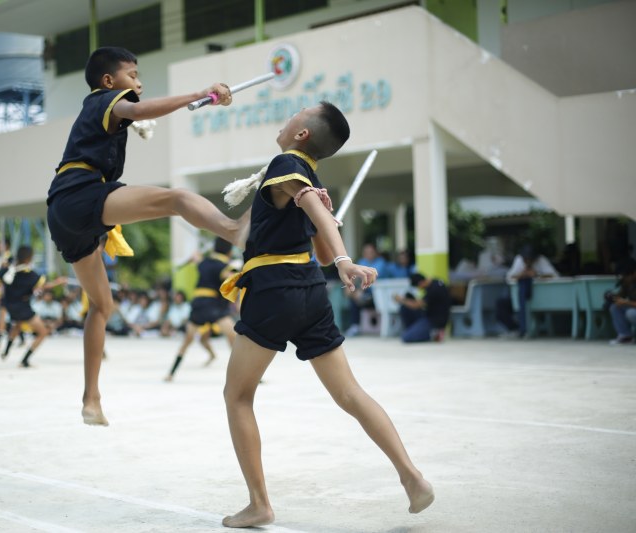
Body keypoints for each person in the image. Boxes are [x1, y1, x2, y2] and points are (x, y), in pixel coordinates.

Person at [219, 102, 433, 528]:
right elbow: (316, 237)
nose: (287, 116)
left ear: (302, 134)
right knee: (350, 393)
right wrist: (330, 242)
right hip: (311, 293)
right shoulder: (307, 177)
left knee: (237, 395)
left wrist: (343, 260)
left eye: (294, 112)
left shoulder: (286, 165)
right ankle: (413, 478)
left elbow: (312, 212)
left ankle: (259, 503)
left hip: (274, 289)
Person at [45, 45, 249, 426]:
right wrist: (202, 94)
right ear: (109, 81)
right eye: (133, 75)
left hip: (65, 213)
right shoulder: (105, 100)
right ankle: (235, 230)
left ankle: (91, 399)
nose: (139, 82)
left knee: (101, 306)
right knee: (176, 198)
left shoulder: (99, 110)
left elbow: (129, 117)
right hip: (80, 194)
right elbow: (137, 109)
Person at [165, 238, 238, 382]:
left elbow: (196, 261)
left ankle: (171, 374)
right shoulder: (225, 266)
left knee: (188, 340)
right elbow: (230, 281)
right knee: (233, 338)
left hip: (199, 304)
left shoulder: (203, 263)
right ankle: (248, 377)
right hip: (214, 306)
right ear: (229, 251)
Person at [0, 246, 66, 368]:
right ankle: (25, 360)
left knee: (17, 325)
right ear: (29, 258)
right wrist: (58, 282)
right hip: (22, 307)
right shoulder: (30, 275)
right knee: (43, 332)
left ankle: (6, 351)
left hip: (9, 306)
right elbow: (44, 286)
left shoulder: (8, 271)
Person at [496, 245, 558, 337]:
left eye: (530, 259)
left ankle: (525, 328)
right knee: (500, 304)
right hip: (518, 296)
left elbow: (555, 276)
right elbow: (509, 277)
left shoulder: (541, 260)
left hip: (539, 298)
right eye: (526, 259)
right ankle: (516, 328)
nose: (528, 261)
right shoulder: (519, 260)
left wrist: (537, 275)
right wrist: (520, 275)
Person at [344, 242, 388, 336]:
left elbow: (370, 278)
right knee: (353, 297)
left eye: (370, 251)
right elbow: (355, 276)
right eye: (366, 252)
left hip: (378, 295)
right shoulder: (362, 261)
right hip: (366, 293)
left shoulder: (381, 262)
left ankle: (356, 325)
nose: (368, 254)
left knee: (359, 297)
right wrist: (350, 286)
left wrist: (359, 291)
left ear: (376, 252)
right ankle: (355, 326)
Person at [393, 273, 451, 343]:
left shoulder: (434, 289)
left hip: (435, 321)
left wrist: (401, 300)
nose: (420, 289)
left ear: (420, 283)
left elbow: (417, 305)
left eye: (418, 287)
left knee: (406, 337)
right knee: (405, 308)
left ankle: (434, 333)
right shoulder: (435, 283)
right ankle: (415, 330)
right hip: (429, 315)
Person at [608, 258, 636, 344]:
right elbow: (620, 296)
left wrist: (626, 302)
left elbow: (626, 302)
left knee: (631, 313)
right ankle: (625, 336)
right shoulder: (628, 283)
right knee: (615, 307)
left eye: (626, 276)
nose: (624, 278)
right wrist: (612, 297)